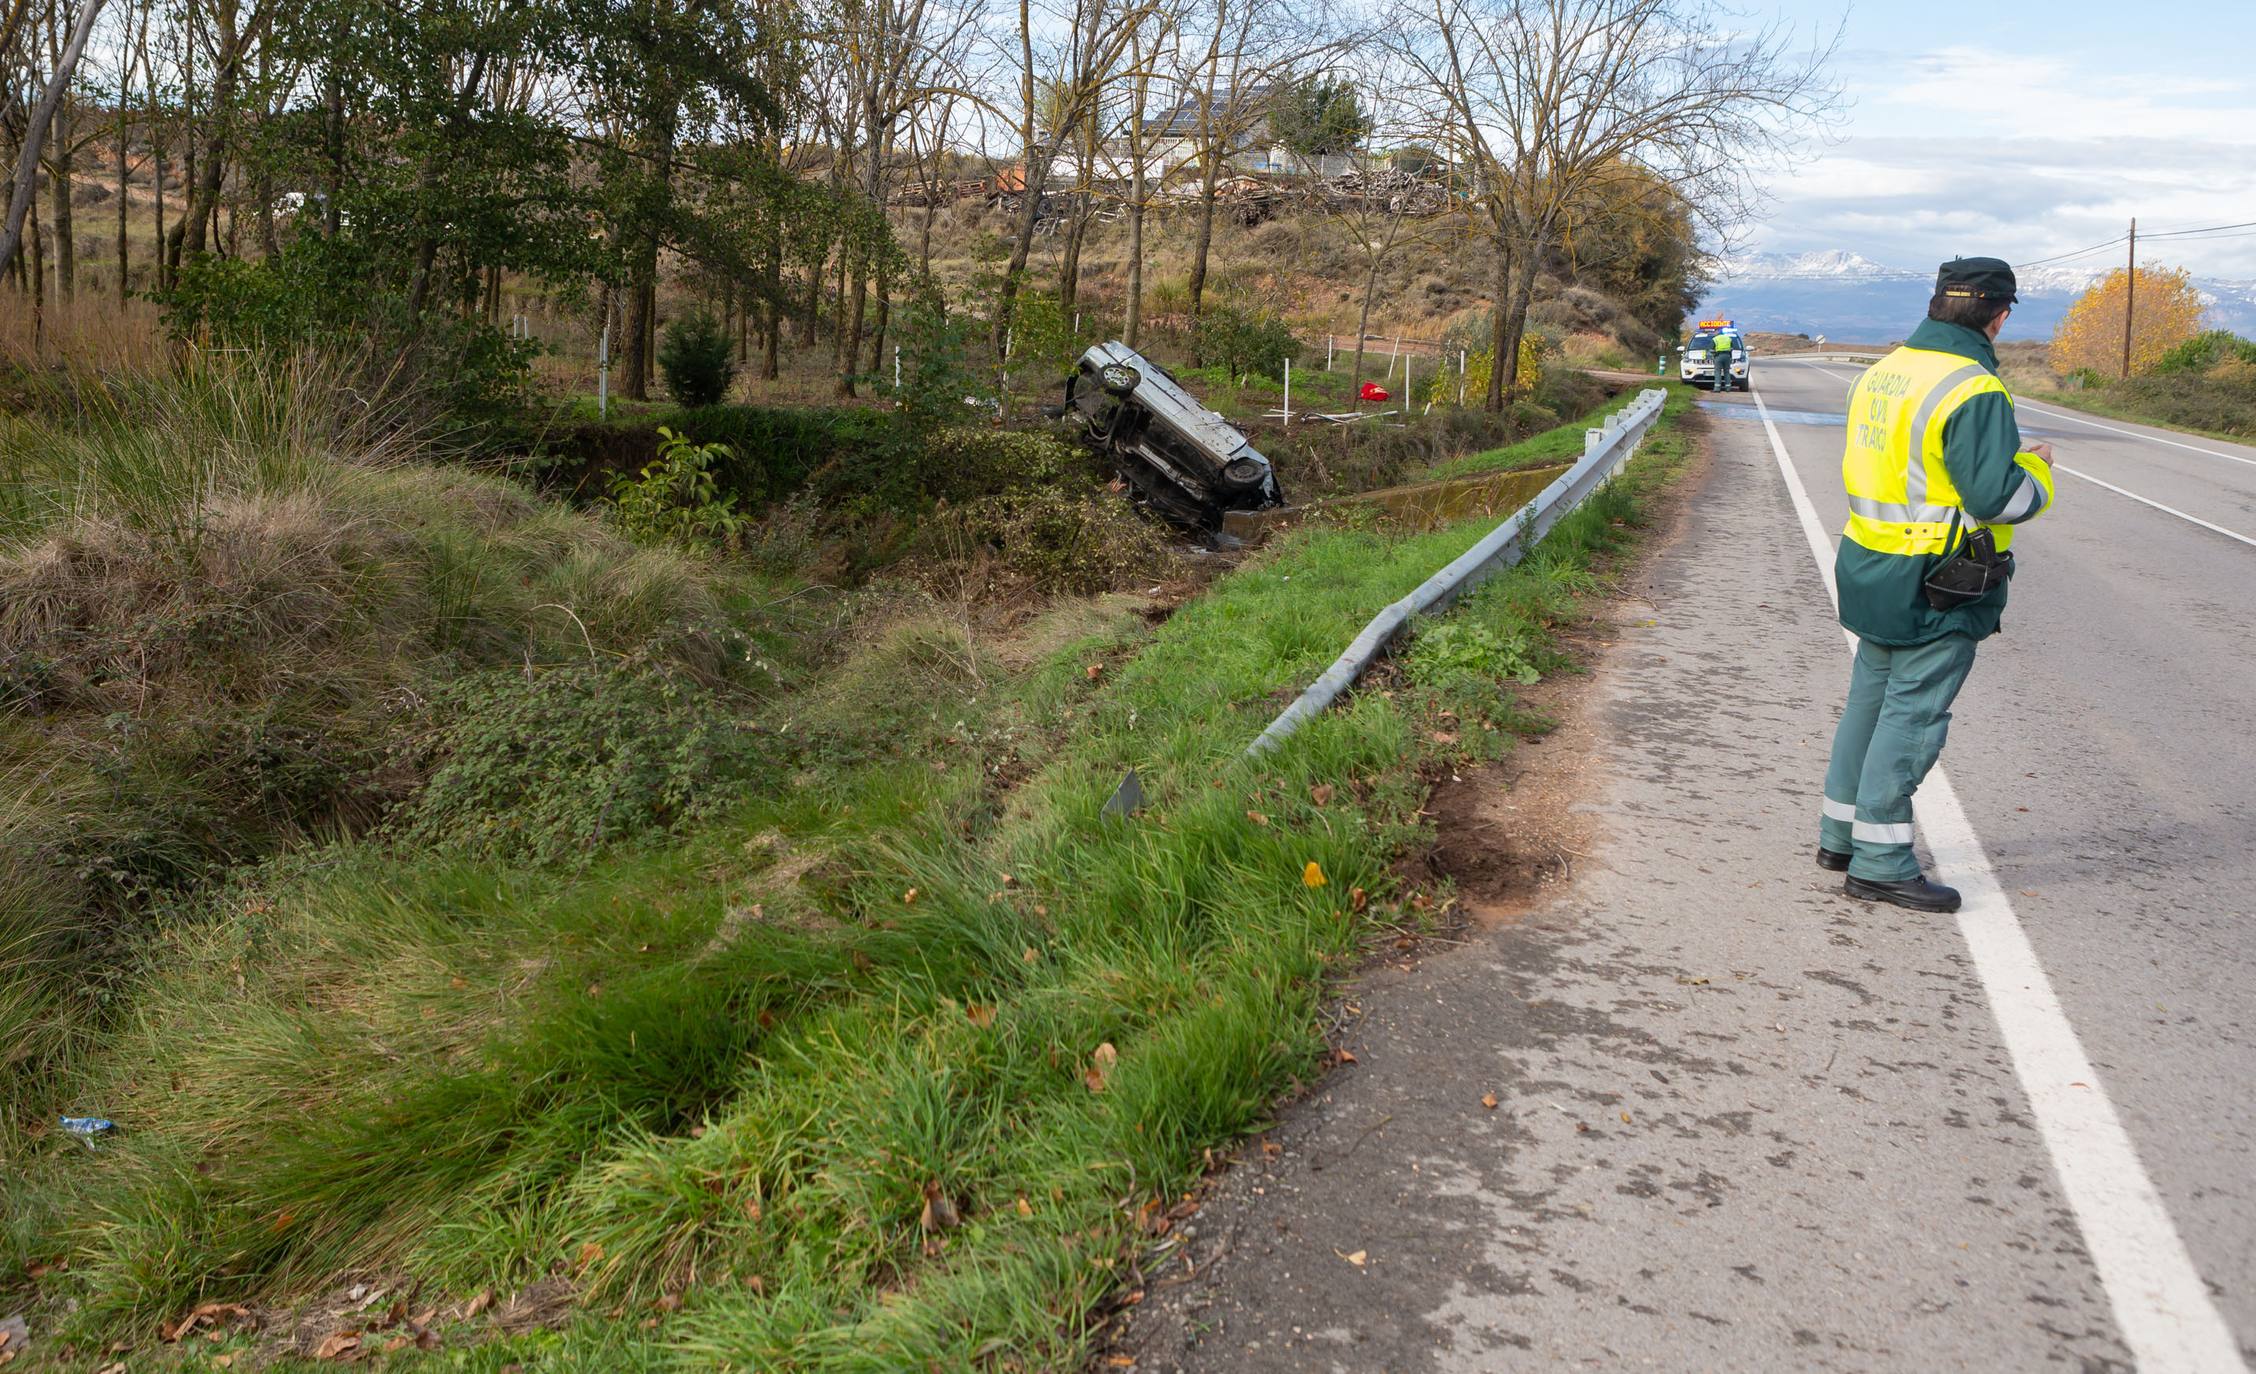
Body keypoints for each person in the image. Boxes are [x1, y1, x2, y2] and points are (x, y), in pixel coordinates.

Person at [1816, 257, 2056, 912]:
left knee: (1869, 701)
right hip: (1938, 581)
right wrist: (2038, 474)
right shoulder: (1974, 388)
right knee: (1913, 714)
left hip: (1871, 562)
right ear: (1999, 316)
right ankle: (1881, 861)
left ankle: (1839, 836)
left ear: (1936, 305)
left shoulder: (1885, 372)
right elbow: (1993, 496)